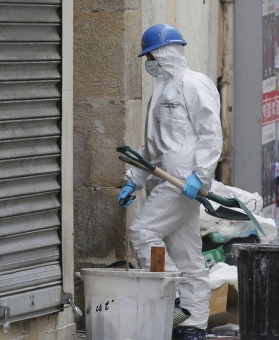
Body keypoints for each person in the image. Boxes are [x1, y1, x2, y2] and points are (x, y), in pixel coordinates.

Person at [117, 23, 223, 340]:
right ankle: (192, 324)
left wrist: (199, 175)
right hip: (169, 181)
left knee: (143, 231)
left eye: (150, 55)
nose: (148, 62)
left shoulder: (195, 85)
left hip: (184, 182)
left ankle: (171, 291)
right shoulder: (160, 93)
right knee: (189, 253)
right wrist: (132, 181)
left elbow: (211, 134)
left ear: (165, 52)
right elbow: (150, 147)